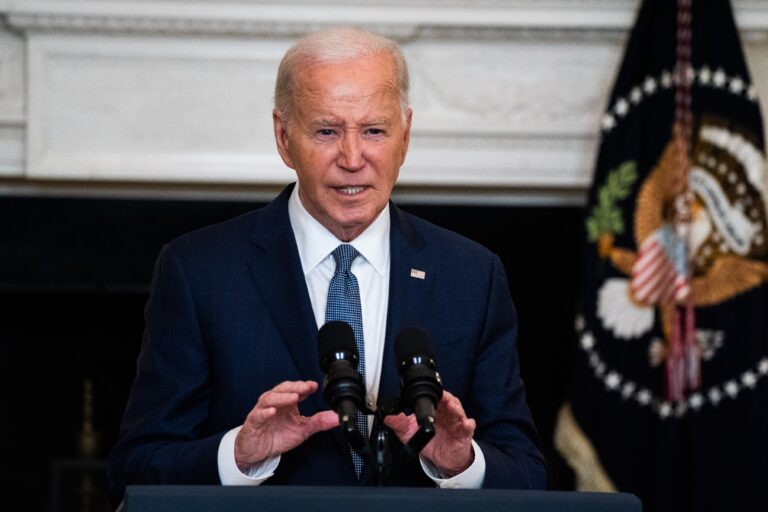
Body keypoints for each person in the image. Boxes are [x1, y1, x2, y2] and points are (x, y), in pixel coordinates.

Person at [107, 27, 546, 507]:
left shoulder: (473, 276)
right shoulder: (198, 271)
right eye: (327, 131)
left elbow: (526, 474)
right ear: (284, 137)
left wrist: (461, 464)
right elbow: (134, 471)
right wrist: (238, 455)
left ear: (404, 137)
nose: (352, 159)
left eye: (374, 131)